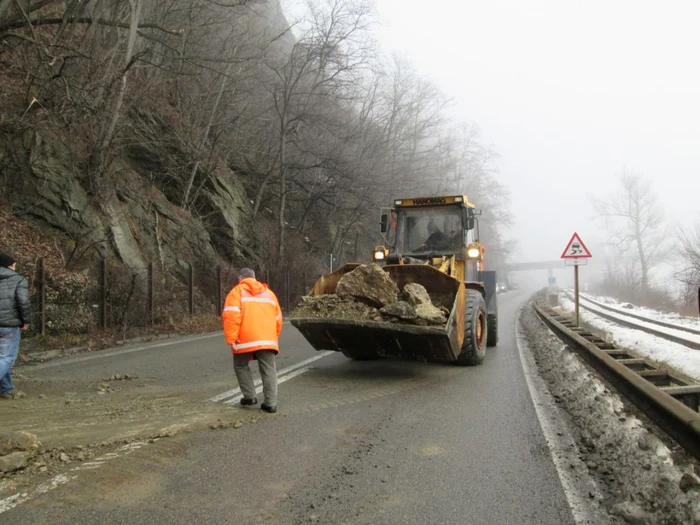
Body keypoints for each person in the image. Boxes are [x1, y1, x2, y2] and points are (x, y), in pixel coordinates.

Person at [222, 268, 282, 413]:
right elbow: (278, 319)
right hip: (267, 338)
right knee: (269, 370)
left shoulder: (236, 292)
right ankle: (271, 404)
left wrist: (232, 338)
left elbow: (231, 317)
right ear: (255, 278)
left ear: (240, 278)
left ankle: (249, 396)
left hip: (245, 339)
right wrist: (273, 337)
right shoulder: (270, 294)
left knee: (240, 365)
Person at [0, 253, 31, 400]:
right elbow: (23, 302)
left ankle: (7, 389)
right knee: (7, 358)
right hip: (9, 325)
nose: (15, 267)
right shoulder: (18, 279)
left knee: (2, 358)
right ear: (9, 266)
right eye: (14, 264)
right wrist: (26, 320)